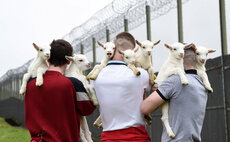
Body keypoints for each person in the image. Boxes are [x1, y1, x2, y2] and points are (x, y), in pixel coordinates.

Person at [25, 39, 95, 142]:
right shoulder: (74, 84)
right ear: (68, 61)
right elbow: (87, 109)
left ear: (48, 59)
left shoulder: (30, 84)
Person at [141, 46, 208, 142]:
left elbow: (145, 108)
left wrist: (157, 88)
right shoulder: (202, 84)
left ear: (180, 59)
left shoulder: (175, 81)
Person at [93, 32, 151, 142]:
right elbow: (149, 90)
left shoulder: (97, 76)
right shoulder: (141, 74)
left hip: (108, 137)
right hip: (135, 137)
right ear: (133, 50)